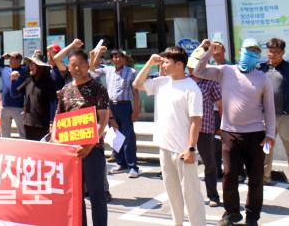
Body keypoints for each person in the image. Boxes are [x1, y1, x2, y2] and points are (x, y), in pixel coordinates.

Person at [194, 38, 276, 226]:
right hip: (230, 132)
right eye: (249, 50)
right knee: (229, 174)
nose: (252, 54)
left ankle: (252, 216)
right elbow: (199, 71)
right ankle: (231, 213)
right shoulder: (226, 71)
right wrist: (208, 52)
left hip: (256, 133)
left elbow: (270, 109)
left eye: (255, 52)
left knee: (255, 178)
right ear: (240, 51)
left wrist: (270, 134)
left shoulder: (263, 78)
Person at [134, 47, 206, 226]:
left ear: (180, 64)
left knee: (192, 196)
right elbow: (137, 84)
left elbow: (196, 121)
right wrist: (150, 63)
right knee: (173, 193)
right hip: (164, 147)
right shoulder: (162, 82)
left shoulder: (191, 88)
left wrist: (191, 148)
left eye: (167, 62)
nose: (163, 65)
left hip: (183, 150)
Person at [51, 49, 111, 226]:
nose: (77, 68)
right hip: (70, 151)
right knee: (75, 196)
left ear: (88, 65)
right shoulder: (65, 90)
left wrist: (89, 145)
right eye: (73, 65)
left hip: (92, 150)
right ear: (69, 67)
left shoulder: (98, 88)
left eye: (81, 64)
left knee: (97, 194)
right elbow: (58, 117)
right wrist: (55, 139)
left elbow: (103, 119)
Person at [257, 38, 289, 194]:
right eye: (270, 51)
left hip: (288, 116)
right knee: (265, 148)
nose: (273, 54)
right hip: (265, 116)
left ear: (283, 52)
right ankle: (264, 177)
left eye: (277, 52)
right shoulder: (260, 69)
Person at [91, 48, 140, 178]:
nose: (116, 59)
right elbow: (93, 68)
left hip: (125, 106)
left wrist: (136, 109)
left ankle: (132, 166)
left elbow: (135, 91)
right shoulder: (108, 70)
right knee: (116, 135)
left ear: (124, 58)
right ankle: (120, 163)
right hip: (111, 106)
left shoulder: (131, 72)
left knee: (128, 137)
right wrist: (98, 53)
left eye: (119, 57)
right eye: (114, 57)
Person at [188, 52, 223, 207]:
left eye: (193, 67)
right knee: (185, 163)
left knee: (209, 163)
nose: (191, 70)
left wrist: (221, 126)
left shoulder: (210, 82)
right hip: (186, 128)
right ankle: (189, 195)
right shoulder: (185, 81)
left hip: (205, 128)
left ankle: (213, 196)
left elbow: (221, 105)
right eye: (190, 67)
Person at [14, 54, 57, 141]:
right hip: (28, 123)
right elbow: (14, 94)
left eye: (33, 64)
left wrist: (52, 122)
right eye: (29, 64)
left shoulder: (48, 82)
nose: (30, 66)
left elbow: (53, 103)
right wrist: (13, 81)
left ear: (40, 67)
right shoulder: (29, 80)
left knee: (41, 148)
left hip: (42, 125)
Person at [0, 51, 27, 138]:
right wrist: (2, 58)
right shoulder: (4, 69)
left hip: (19, 106)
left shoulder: (24, 70)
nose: (9, 60)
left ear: (19, 60)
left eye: (12, 58)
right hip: (5, 106)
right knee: (5, 134)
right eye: (9, 58)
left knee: (22, 133)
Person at [211, 40, 227, 177]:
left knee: (230, 142)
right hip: (214, 110)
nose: (215, 50)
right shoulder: (209, 68)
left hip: (229, 109)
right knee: (215, 142)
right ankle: (217, 170)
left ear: (224, 50)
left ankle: (236, 170)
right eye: (213, 47)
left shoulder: (230, 67)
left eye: (218, 47)